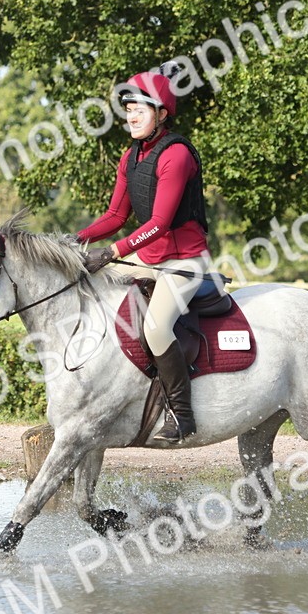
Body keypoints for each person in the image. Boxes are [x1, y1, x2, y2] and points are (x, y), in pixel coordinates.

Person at [78, 70, 211, 444]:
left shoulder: (178, 155)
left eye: (139, 110)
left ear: (162, 114)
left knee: (154, 327)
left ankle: (182, 416)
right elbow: (115, 216)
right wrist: (75, 240)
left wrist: (112, 252)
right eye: (128, 110)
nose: (131, 117)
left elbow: (160, 222)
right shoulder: (130, 156)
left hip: (184, 261)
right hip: (147, 260)